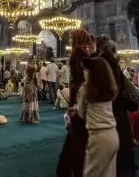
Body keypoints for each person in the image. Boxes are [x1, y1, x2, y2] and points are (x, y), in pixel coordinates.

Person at [95, 35, 137, 177]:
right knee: (122, 137)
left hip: (111, 107)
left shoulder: (103, 62)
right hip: (119, 107)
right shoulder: (114, 63)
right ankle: (125, 167)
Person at [56, 29, 95, 177]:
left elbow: (82, 73)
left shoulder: (79, 51)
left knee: (76, 130)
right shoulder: (85, 51)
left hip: (79, 91)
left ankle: (67, 168)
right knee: (78, 129)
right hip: (82, 92)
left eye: (73, 37)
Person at [76, 57, 119, 177]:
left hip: (98, 137)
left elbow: (81, 113)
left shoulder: (85, 89)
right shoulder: (109, 90)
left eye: (86, 70)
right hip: (113, 135)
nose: (84, 72)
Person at [20, 55, 39, 123]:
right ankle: (32, 118)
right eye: (33, 58)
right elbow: (33, 75)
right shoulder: (31, 66)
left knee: (29, 100)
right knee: (31, 100)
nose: (34, 60)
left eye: (34, 58)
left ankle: (26, 117)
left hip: (29, 83)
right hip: (30, 84)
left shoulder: (29, 65)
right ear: (30, 59)